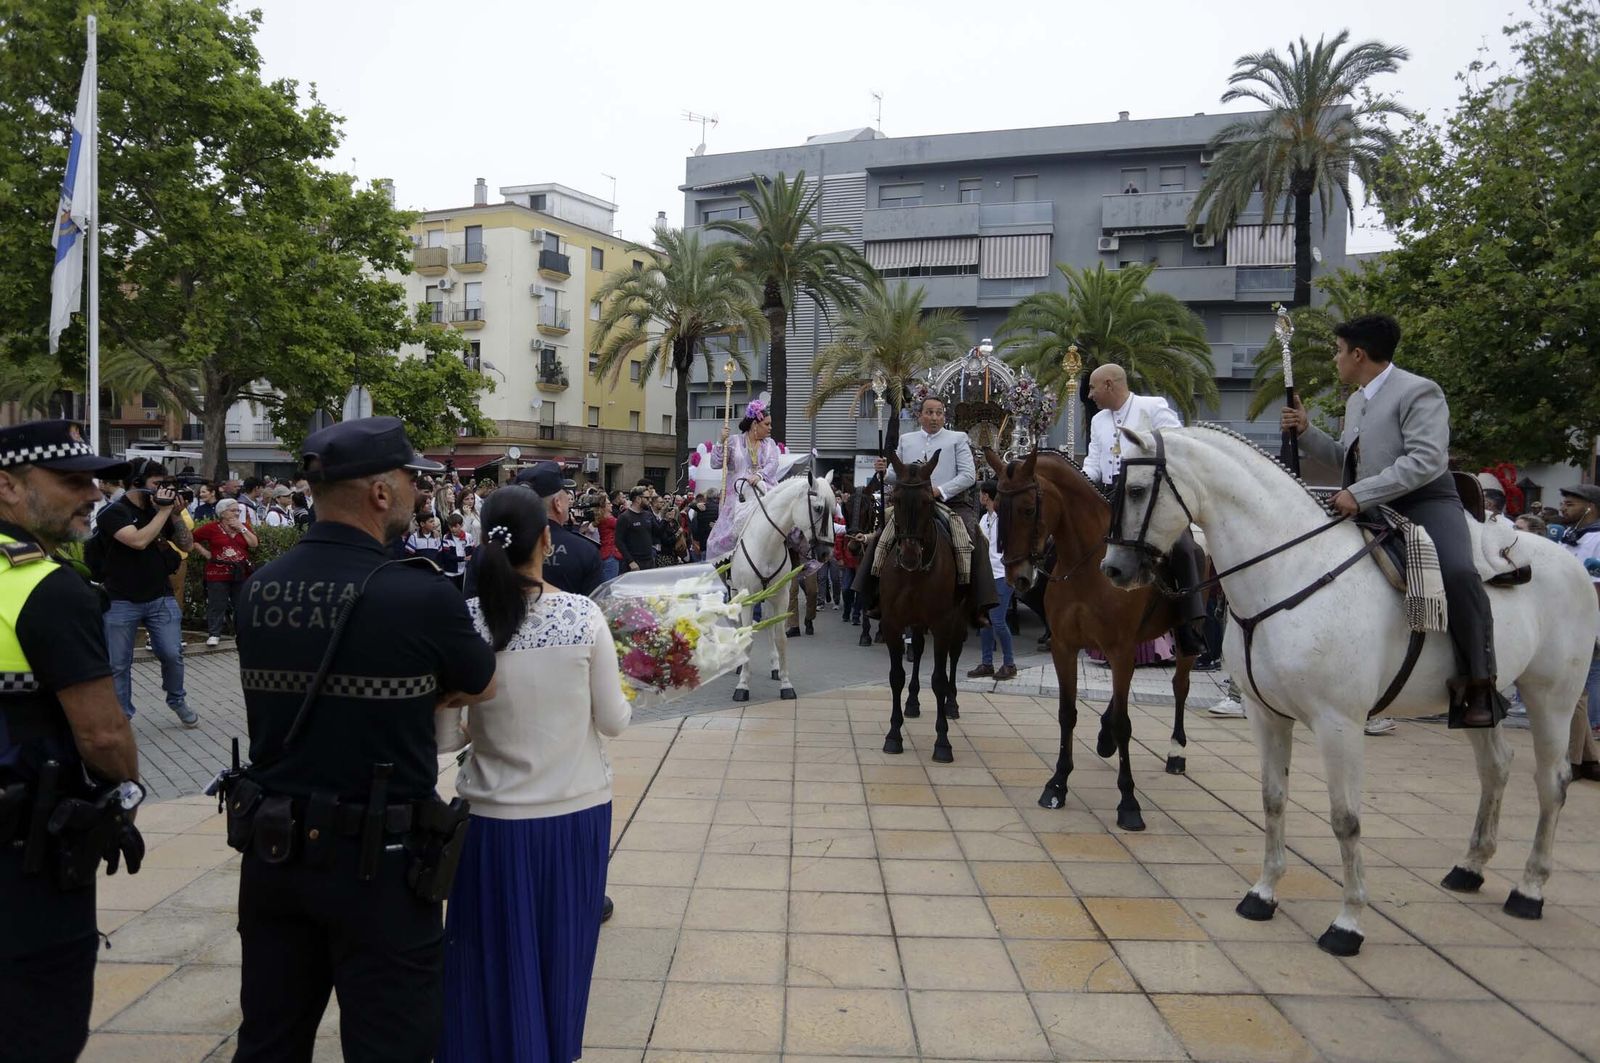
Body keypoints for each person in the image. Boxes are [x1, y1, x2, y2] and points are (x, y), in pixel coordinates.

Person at [226, 416, 498, 1062]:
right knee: (393, 1046)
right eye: (411, 479)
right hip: (381, 866)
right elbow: (482, 681)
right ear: (380, 493)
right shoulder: (420, 593)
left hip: (273, 857)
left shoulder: (259, 590)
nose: (418, 492)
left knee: (268, 1040)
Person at [435, 487, 629, 1062]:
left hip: (489, 821)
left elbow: (446, 736)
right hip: (573, 815)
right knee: (561, 954)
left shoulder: (464, 623)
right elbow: (614, 720)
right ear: (547, 538)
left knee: (489, 955)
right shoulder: (583, 615)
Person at [0, 422, 143, 1063]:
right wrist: (126, 792)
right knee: (40, 1028)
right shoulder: (46, 587)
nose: (91, 493)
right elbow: (104, 733)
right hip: (25, 860)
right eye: (70, 481)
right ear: (6, 487)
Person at [1283, 313, 1504, 728]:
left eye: (1338, 351)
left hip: (1425, 502)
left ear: (1359, 354)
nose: (1336, 359)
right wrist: (1306, 431)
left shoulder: (1420, 391)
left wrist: (1359, 494)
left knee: (1457, 572)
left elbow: (1425, 461)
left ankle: (1479, 682)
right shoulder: (1356, 400)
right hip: (1371, 506)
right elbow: (1349, 463)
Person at [1080, 363, 1208, 656]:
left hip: (1152, 496)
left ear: (1109, 384)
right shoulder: (1099, 420)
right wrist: (1081, 481)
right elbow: (1094, 462)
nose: (1089, 395)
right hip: (1112, 495)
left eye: (1093, 388)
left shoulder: (1152, 407)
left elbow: (1179, 446)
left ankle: (1190, 624)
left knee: (1186, 548)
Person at [856, 394, 1000, 628]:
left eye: (939, 413)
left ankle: (978, 603)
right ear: (920, 415)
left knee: (975, 538)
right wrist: (884, 472)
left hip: (950, 503)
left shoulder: (957, 439)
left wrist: (939, 491)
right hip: (912, 506)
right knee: (882, 537)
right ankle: (872, 596)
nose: (934, 417)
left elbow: (968, 475)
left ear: (944, 415)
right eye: (929, 412)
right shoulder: (907, 439)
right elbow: (897, 476)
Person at [95, 458, 197, 727]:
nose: (164, 490)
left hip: (159, 596)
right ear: (137, 484)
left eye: (166, 484)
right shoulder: (113, 513)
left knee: (172, 653)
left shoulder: (159, 511)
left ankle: (177, 699)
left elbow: (186, 545)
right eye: (157, 484)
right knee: (118, 664)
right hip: (120, 600)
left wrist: (174, 515)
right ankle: (122, 716)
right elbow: (138, 541)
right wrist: (164, 512)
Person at [1556, 484, 1600, 776]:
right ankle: (1588, 759)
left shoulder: (1597, 539)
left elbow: (1596, 587)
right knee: (1574, 689)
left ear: (1590, 507)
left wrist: (1589, 627)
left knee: (1576, 690)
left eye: (1570, 504)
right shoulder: (1568, 538)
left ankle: (1573, 758)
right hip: (1563, 619)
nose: (1563, 508)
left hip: (1585, 622)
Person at [705, 399, 783, 562]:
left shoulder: (770, 444)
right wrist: (721, 441)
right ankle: (723, 571)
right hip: (738, 498)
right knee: (717, 542)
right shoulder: (733, 441)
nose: (770, 428)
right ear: (755, 424)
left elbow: (773, 463)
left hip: (764, 491)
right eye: (767, 424)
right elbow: (715, 463)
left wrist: (759, 475)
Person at [190, 497, 258, 646]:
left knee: (241, 604)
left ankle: (241, 633)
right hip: (217, 571)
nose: (237, 513)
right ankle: (214, 634)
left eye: (238, 510)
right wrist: (205, 552)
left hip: (241, 571)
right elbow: (192, 538)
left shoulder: (244, 526)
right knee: (217, 603)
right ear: (222, 513)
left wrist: (242, 528)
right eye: (233, 510)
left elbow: (254, 544)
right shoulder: (212, 528)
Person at [969, 482, 1018, 679]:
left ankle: (1010, 663)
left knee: (997, 620)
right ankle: (987, 663)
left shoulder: (1004, 520)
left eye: (981, 494)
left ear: (986, 496)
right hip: (986, 575)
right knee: (985, 621)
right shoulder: (984, 518)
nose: (980, 497)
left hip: (1001, 574)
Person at [615, 487, 657, 572]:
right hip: (634, 563)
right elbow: (619, 541)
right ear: (638, 499)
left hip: (649, 561)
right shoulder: (624, 517)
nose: (649, 500)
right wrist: (630, 561)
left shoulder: (648, 515)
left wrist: (666, 520)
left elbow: (658, 532)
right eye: (647, 498)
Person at [595, 495, 623, 582]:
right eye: (608, 503)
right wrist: (626, 510)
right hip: (611, 553)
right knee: (610, 583)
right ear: (604, 506)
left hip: (605, 552)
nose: (611, 505)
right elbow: (623, 525)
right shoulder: (609, 520)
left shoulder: (602, 518)